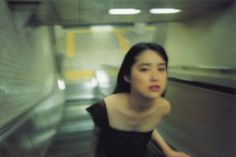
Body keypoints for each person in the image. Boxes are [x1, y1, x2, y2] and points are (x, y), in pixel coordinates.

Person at [86, 42, 191, 157]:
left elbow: (147, 125)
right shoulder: (106, 108)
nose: (155, 77)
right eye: (144, 69)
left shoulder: (163, 108)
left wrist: (168, 151)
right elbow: (96, 139)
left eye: (161, 69)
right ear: (127, 76)